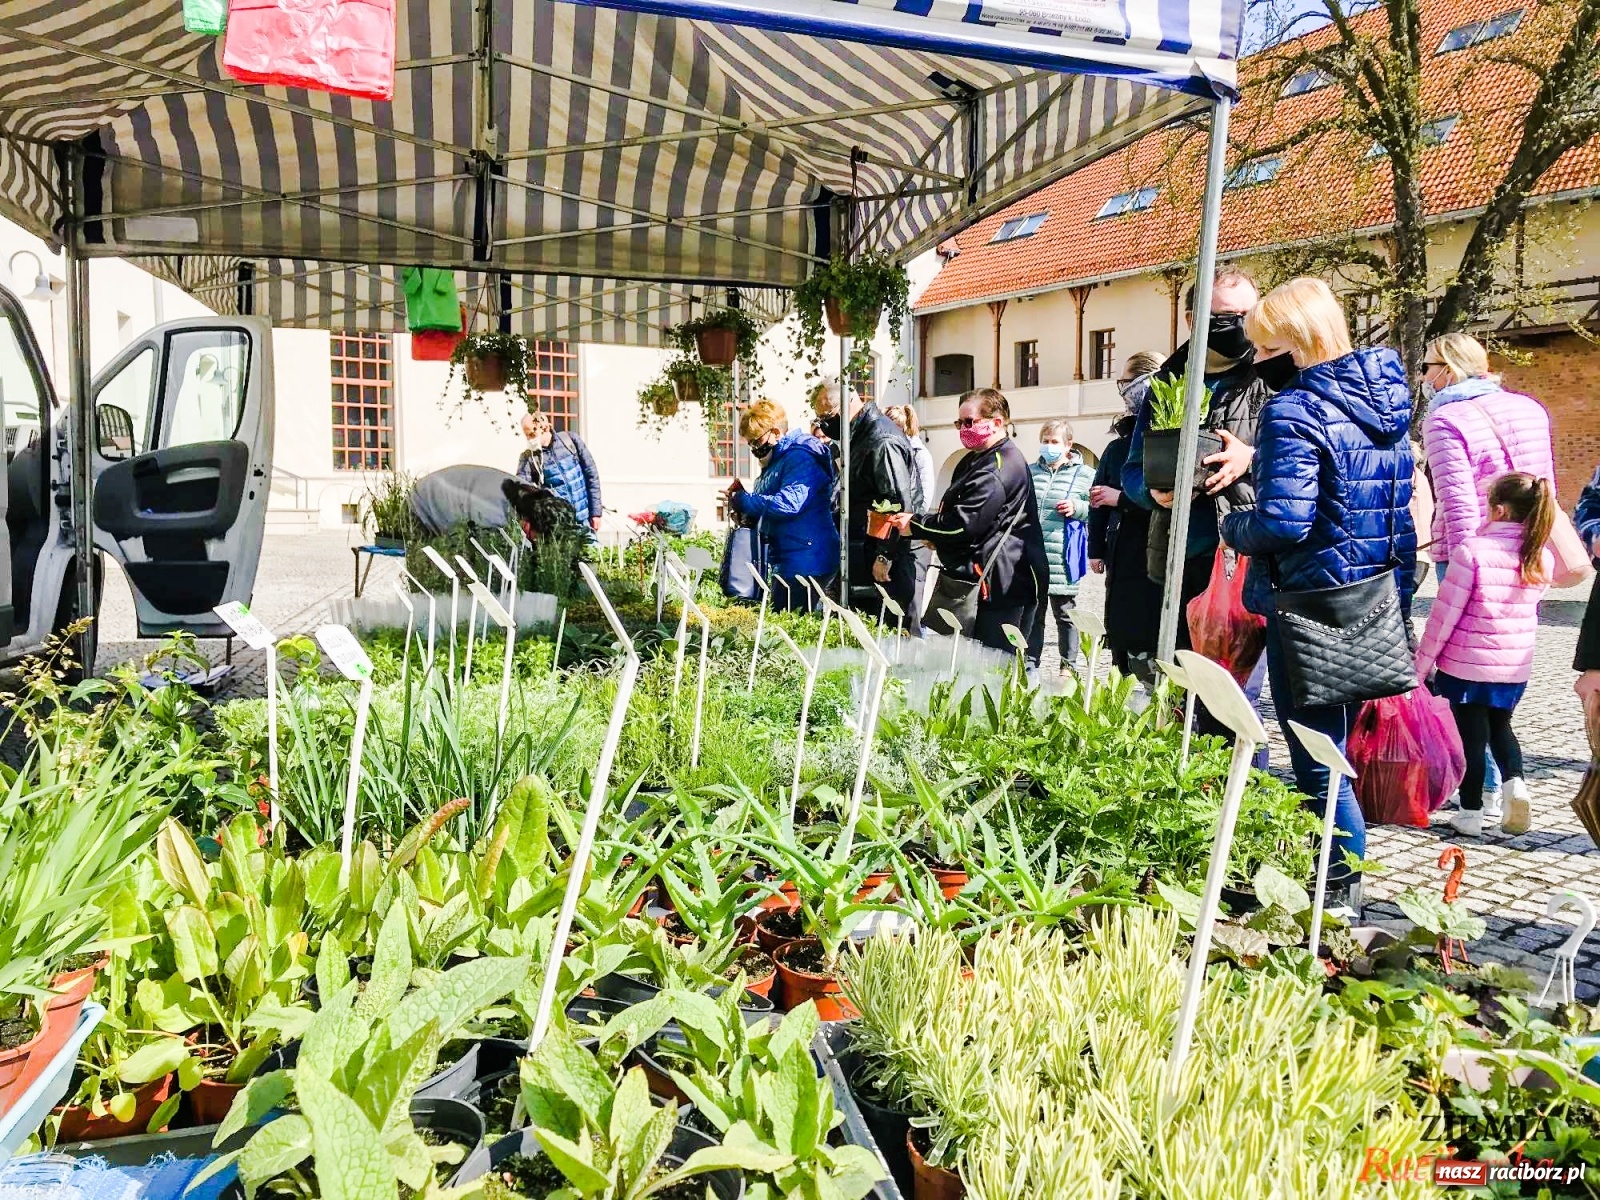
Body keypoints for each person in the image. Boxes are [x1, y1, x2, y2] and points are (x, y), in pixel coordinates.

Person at [1220, 277, 1416, 900]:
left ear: (1292, 343)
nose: (1256, 361)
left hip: (1308, 604)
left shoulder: (1295, 408)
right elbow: (1398, 515)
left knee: (1317, 761)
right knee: (1334, 757)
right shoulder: (1387, 404)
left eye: (1263, 347)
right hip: (1372, 598)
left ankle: (1335, 900)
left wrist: (1232, 525)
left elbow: (1283, 519)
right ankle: (1338, 890)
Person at [1123, 268, 1278, 743]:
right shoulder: (1169, 382)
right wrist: (1152, 492)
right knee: (1178, 694)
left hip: (1246, 561)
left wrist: (1250, 459)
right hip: (1178, 557)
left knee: (1234, 703)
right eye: (1224, 316)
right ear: (1193, 319)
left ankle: (1241, 797)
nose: (1238, 325)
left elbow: (1305, 462)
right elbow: (1132, 469)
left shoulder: (1272, 377)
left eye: (1245, 314)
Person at [1421, 332, 1553, 812]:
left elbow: (1456, 502)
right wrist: (1538, 544)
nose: (1424, 377)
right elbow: (1547, 486)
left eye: (1426, 367)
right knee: (1500, 690)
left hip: (1473, 549)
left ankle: (1479, 795)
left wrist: (1462, 560)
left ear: (1448, 370)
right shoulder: (1531, 408)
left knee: (1466, 678)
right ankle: (1504, 783)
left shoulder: (1444, 419)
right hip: (1528, 549)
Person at [1415, 472, 1552, 838]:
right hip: (1513, 667)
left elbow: (1444, 617)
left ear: (1500, 509)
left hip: (1466, 665)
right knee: (1501, 728)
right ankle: (1516, 786)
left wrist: (1422, 665)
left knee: (1471, 740)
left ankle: (1471, 813)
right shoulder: (1541, 557)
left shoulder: (1471, 552)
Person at [884, 388, 1048, 659]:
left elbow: (963, 524)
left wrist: (916, 525)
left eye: (969, 422)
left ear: (997, 422)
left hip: (1002, 582)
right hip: (985, 575)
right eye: (959, 423)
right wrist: (935, 535)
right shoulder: (977, 459)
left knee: (995, 664)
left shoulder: (998, 465)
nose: (963, 429)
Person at [810, 375, 923, 629]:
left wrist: (885, 555)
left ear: (848, 403)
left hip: (884, 560)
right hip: (865, 549)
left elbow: (897, 502)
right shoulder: (859, 436)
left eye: (828, 417)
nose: (826, 425)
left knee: (890, 634)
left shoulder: (880, 440)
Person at [1089, 351, 1165, 682]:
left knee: (1143, 640)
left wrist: (1122, 499)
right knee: (1123, 637)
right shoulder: (1117, 448)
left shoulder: (1163, 441)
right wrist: (1096, 548)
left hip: (1150, 552)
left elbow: (1166, 501)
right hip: (1122, 551)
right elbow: (1096, 499)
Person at [723, 399, 840, 610]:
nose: (753, 448)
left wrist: (744, 500)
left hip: (807, 559)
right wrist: (744, 511)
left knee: (792, 627)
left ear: (776, 433)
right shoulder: (777, 459)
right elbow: (769, 505)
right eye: (750, 443)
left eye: (756, 441)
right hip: (791, 557)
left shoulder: (800, 457)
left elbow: (788, 504)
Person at [1028, 419, 1093, 670]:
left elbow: (1096, 510)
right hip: (1033, 553)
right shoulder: (1030, 471)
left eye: (1054, 442)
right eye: (1045, 441)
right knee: (1034, 615)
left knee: (1065, 614)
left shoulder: (1085, 474)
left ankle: (1069, 666)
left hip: (1062, 554)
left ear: (1068, 445)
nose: (1049, 446)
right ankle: (1031, 664)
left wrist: (1077, 508)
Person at [884, 403, 936, 627]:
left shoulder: (919, 454)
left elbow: (923, 500)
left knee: (911, 603)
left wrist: (907, 521)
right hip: (892, 534)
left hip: (913, 538)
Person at [517, 411, 602, 539]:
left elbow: (591, 475)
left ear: (544, 427)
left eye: (531, 434)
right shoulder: (529, 458)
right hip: (558, 529)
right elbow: (523, 492)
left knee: (592, 557)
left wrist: (596, 513)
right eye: (527, 435)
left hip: (585, 523)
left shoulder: (570, 441)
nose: (529, 439)